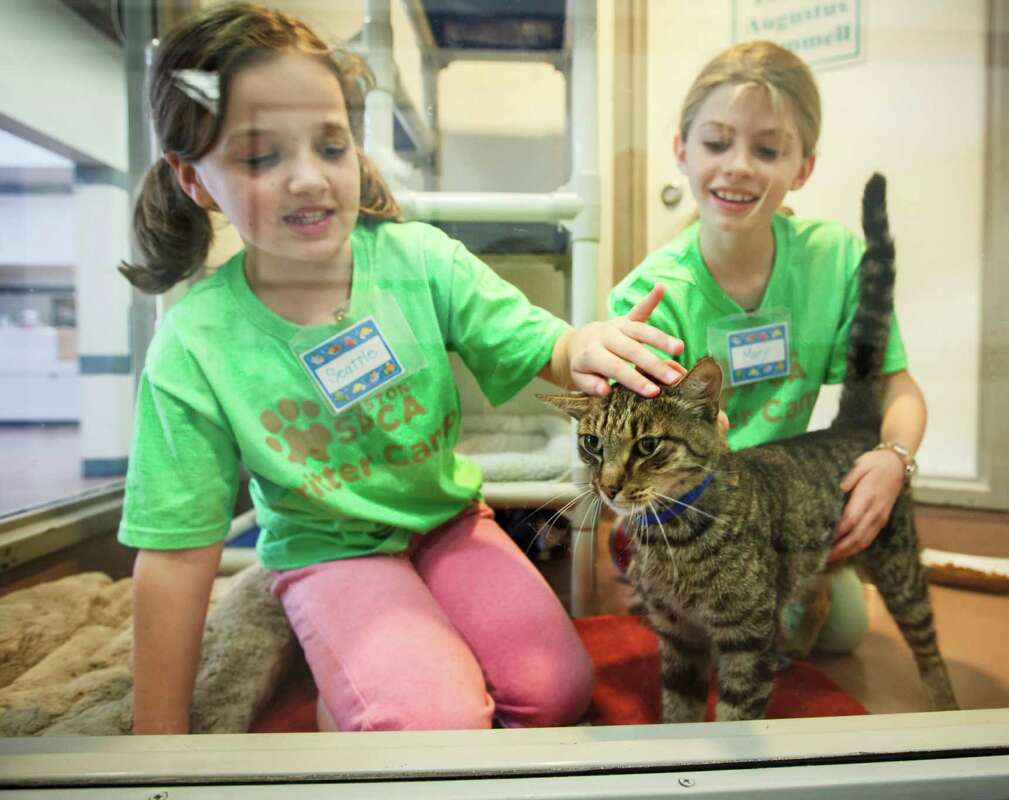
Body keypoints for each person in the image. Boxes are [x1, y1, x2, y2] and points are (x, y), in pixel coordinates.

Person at [118, 2, 685, 734]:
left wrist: (584, 347)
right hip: (329, 550)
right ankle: (354, 692)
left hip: (445, 520)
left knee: (557, 690)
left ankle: (385, 673)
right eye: (261, 157)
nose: (309, 179)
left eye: (330, 145)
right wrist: (156, 751)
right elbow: (175, 557)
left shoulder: (419, 258)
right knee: (435, 725)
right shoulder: (194, 345)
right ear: (194, 181)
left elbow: (533, 338)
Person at [609, 41, 927, 655]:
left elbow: (899, 387)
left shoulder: (835, 259)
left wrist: (895, 460)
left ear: (802, 167)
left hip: (784, 503)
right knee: (717, 631)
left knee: (839, 636)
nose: (738, 166)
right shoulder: (649, 298)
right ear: (681, 149)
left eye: (767, 150)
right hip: (692, 507)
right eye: (716, 143)